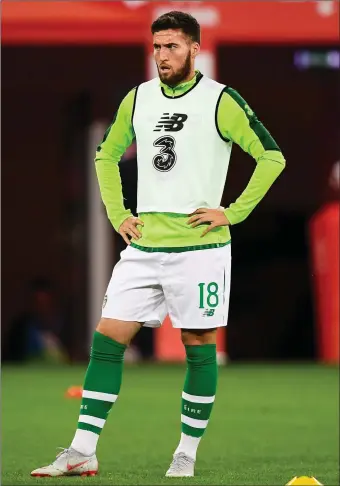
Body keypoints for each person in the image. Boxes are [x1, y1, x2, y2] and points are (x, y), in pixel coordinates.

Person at [31, 11, 286, 478]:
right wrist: (117, 213)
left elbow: (271, 156)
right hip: (145, 244)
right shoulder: (139, 98)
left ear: (193, 47)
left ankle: (186, 451)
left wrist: (232, 211)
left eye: (171, 46)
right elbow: (106, 154)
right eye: (156, 47)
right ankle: (82, 449)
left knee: (198, 344)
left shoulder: (221, 101)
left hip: (201, 250)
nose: (162, 56)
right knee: (107, 338)